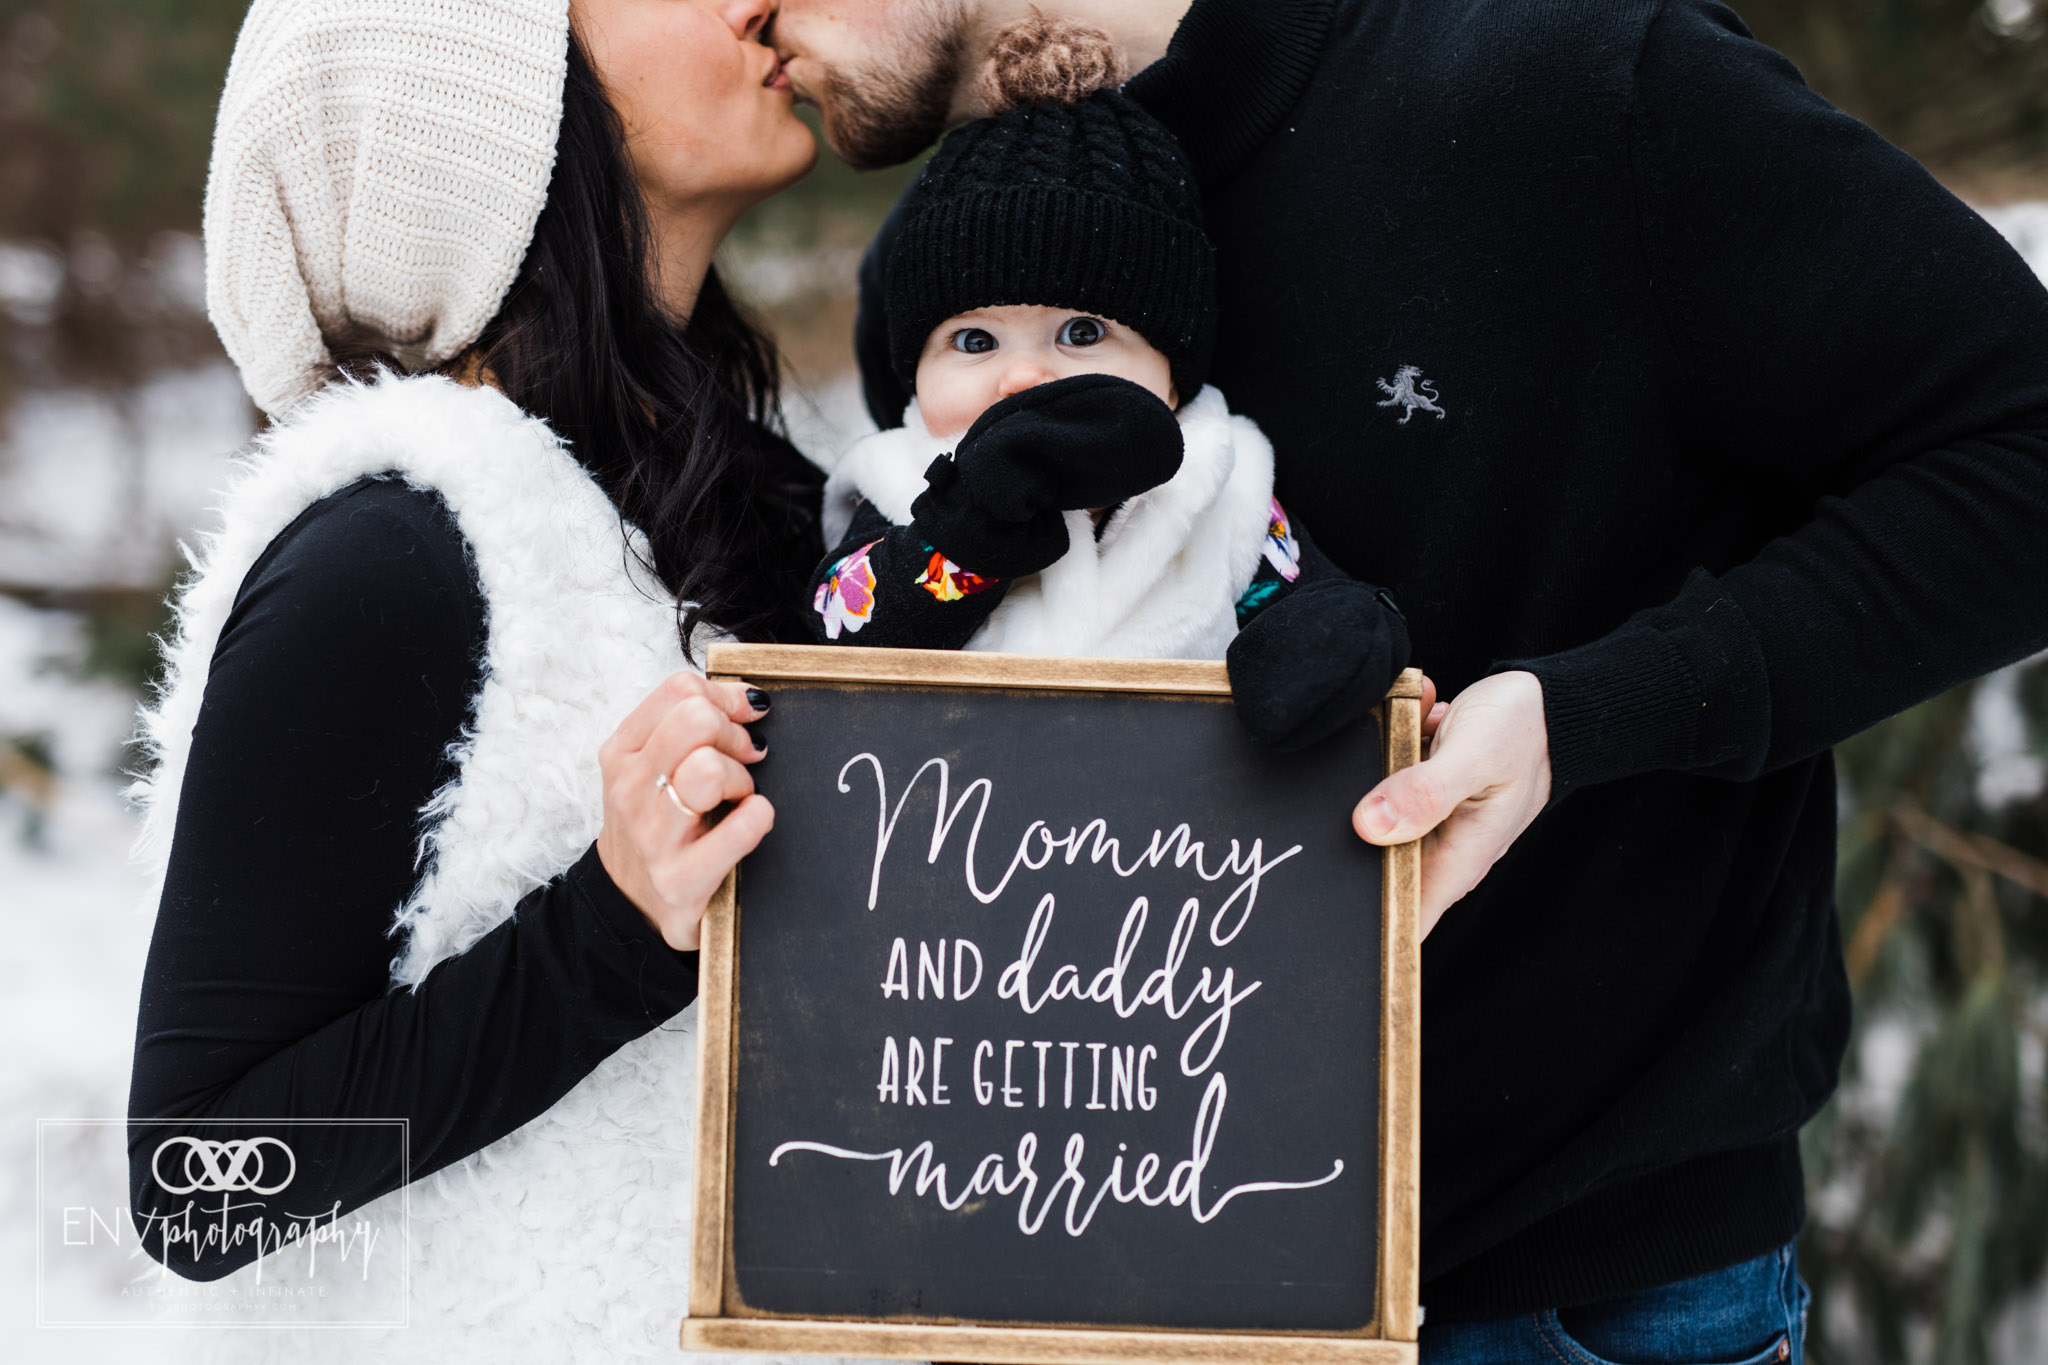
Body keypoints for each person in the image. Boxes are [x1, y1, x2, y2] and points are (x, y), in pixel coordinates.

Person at [763, 0, 2048, 1358]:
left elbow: (2021, 455)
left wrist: (1585, 713)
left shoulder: (1571, 82)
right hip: (1087, 1264)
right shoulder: (943, 277)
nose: (745, 15)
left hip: (1563, 1290)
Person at [124, 1, 850, 1360]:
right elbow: (194, 1183)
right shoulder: (389, 553)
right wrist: (616, 930)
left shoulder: (775, 516)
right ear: (486, 109)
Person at [807, 29, 1409, 749]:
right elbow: (834, 635)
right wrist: (965, 529)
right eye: (975, 342)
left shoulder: (1215, 484)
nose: (1025, 378)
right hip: (948, 827)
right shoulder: (900, 482)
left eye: (1082, 333)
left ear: (1172, 372)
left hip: (1155, 837)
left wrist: (1333, 632)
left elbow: (1294, 597)